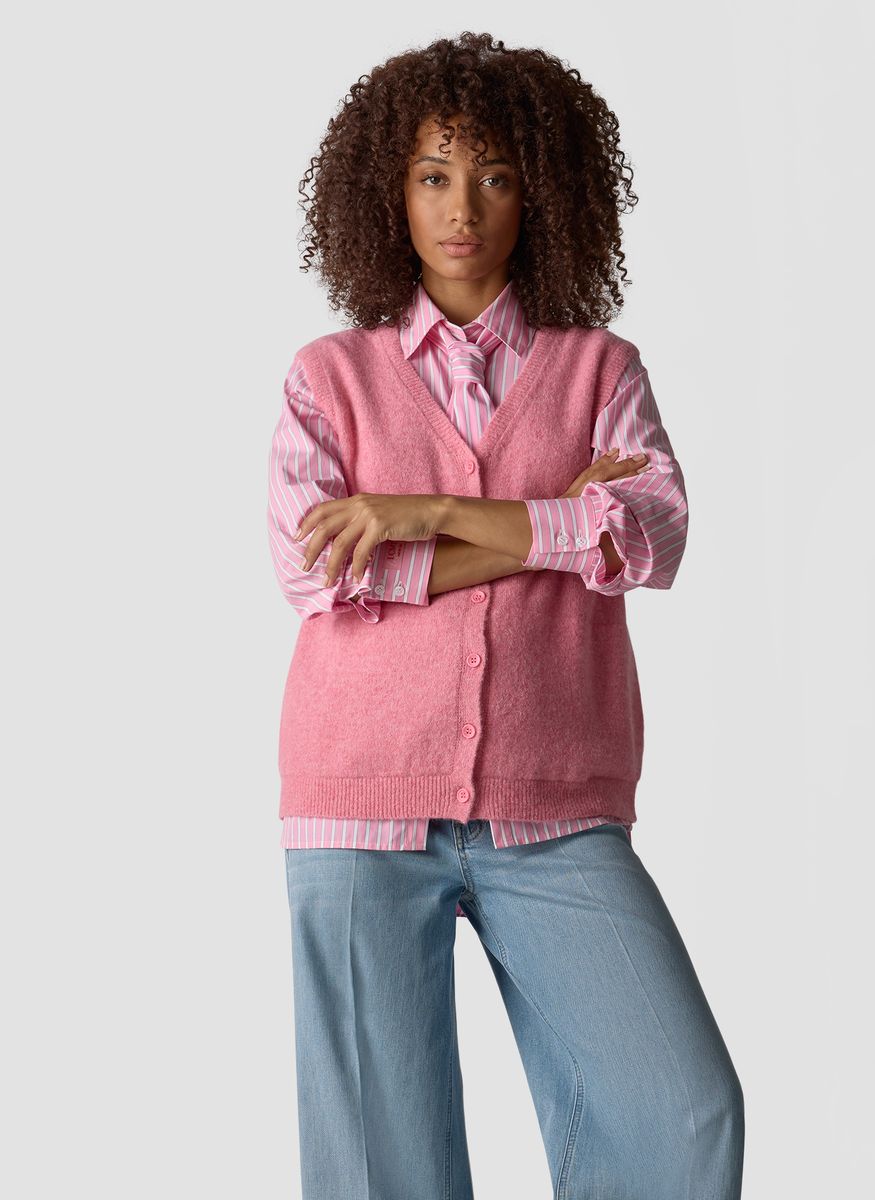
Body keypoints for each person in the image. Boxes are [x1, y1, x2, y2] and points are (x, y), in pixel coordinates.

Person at [267, 30, 744, 1200]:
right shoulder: (327, 376)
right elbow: (311, 567)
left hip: (557, 803)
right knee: (381, 1169)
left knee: (681, 1115)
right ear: (389, 192)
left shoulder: (598, 371)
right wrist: (552, 527)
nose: (461, 206)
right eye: (432, 174)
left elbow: (649, 534)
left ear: (540, 189)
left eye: (492, 174)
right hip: (358, 799)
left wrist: (425, 511)